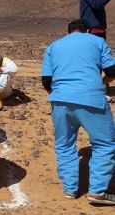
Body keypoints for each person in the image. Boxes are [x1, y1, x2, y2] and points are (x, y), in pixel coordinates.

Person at [41, 19, 115, 205]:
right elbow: (112, 70)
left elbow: (46, 81)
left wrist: (60, 94)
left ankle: (70, 189)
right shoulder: (97, 41)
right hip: (91, 99)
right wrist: (104, 82)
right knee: (105, 144)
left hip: (60, 101)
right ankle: (97, 191)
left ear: (68, 32)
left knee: (64, 145)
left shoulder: (54, 46)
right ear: (88, 31)